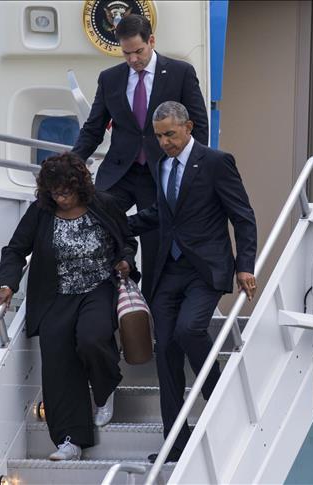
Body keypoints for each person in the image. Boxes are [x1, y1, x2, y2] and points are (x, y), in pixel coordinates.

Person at [127, 101, 257, 463]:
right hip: (169, 270)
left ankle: (218, 394)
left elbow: (242, 216)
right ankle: (175, 444)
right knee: (166, 351)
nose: (164, 142)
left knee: (189, 330)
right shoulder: (161, 165)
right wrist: (119, 224)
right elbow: (162, 213)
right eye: (158, 136)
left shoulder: (216, 162)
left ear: (188, 128)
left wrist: (245, 266)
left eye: (170, 134)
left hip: (206, 268)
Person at [0, 152, 139, 461]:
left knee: (91, 338)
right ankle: (70, 441)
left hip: (98, 288)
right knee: (58, 363)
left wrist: (126, 260)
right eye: (55, 192)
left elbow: (127, 240)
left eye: (66, 192)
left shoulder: (104, 204)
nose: (61, 198)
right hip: (55, 295)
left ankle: (104, 389)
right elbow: (15, 249)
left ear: (79, 186)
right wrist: (7, 285)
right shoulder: (40, 212)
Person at [72, 13, 209, 301]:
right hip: (121, 171)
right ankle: (109, 293)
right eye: (126, 53)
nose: (133, 59)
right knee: (94, 219)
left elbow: (197, 125)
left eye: (139, 51)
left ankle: (151, 316)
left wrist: (193, 170)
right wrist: (71, 164)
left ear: (152, 41)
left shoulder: (180, 73)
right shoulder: (110, 78)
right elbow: (94, 128)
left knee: (156, 245)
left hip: (161, 173)